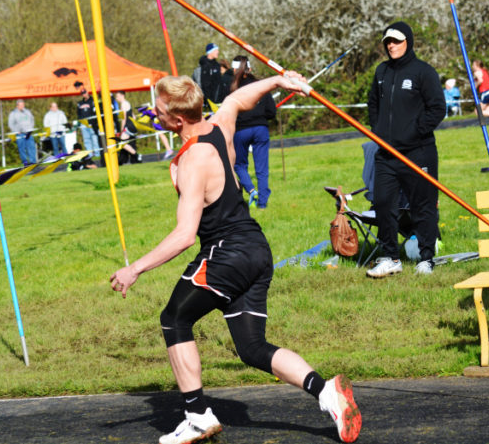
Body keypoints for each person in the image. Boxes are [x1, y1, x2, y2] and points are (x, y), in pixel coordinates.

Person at [109, 75, 361, 444]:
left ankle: (197, 416)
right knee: (252, 348)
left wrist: (135, 268)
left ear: (176, 121)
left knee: (174, 318)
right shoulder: (218, 125)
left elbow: (184, 235)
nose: (154, 114)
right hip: (257, 249)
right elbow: (238, 99)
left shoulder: (194, 159)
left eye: (158, 111)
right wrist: (279, 79)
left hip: (227, 252)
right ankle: (327, 393)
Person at [366, 22, 446, 278]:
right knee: (383, 203)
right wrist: (378, 132)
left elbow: (437, 108)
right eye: (388, 42)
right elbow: (373, 104)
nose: (392, 45)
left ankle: (426, 258)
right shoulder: (381, 71)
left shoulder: (424, 72)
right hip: (387, 155)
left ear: (408, 42)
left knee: (423, 206)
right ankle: (390, 257)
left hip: (418, 152)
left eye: (397, 41)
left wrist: (413, 133)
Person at [230, 56, 276, 209]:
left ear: (234, 70)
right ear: (250, 69)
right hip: (260, 129)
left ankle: (251, 190)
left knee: (239, 165)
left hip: (240, 131)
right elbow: (271, 112)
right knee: (262, 169)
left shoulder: (232, 88)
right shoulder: (260, 85)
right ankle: (262, 204)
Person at [74, 81, 101, 159]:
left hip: (92, 123)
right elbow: (79, 114)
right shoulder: (80, 103)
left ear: (87, 92)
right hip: (84, 124)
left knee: (94, 138)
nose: (84, 94)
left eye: (85, 92)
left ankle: (97, 153)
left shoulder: (93, 101)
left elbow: (95, 111)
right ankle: (89, 154)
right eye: (82, 93)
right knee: (86, 139)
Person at [114, 91, 142, 164]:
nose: (116, 98)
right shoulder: (127, 103)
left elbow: (124, 118)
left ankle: (136, 155)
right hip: (132, 126)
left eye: (117, 96)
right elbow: (134, 117)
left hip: (128, 126)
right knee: (128, 143)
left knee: (121, 143)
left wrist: (122, 129)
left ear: (122, 96)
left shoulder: (123, 104)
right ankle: (125, 159)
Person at [8, 99, 37, 165]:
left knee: (31, 147)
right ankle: (25, 162)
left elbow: (32, 119)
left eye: (23, 105)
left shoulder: (27, 112)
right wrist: (16, 131)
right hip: (20, 134)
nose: (22, 106)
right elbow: (11, 124)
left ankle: (33, 162)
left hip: (28, 133)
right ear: (17, 106)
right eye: (21, 105)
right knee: (22, 149)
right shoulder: (13, 113)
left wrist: (31, 128)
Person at [472, 60, 489, 124]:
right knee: (488, 112)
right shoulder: (484, 71)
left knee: (477, 111)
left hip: (485, 92)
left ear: (477, 66)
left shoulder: (477, 72)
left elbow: (480, 80)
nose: (472, 66)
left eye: (473, 65)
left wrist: (475, 87)